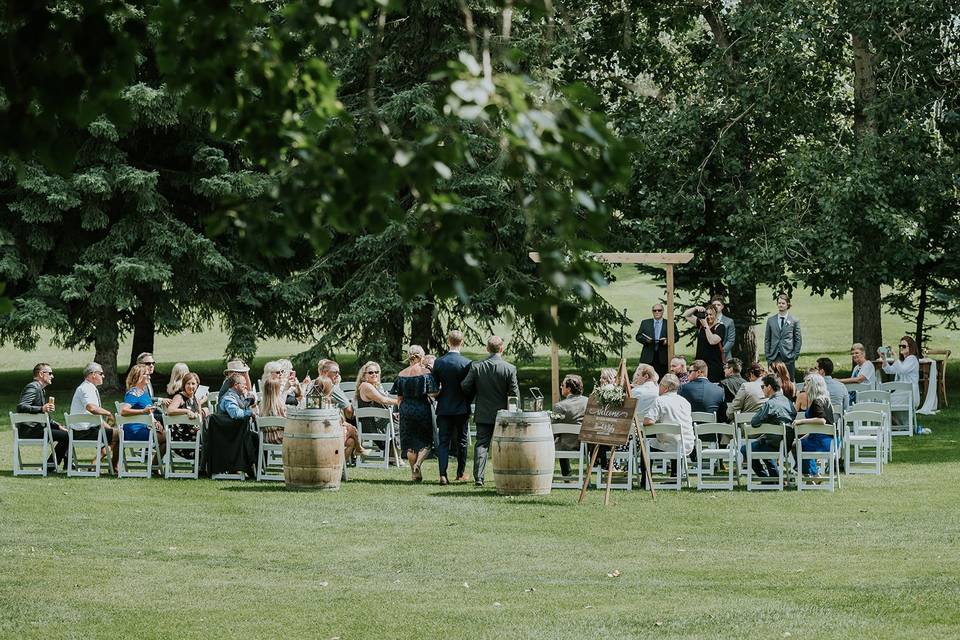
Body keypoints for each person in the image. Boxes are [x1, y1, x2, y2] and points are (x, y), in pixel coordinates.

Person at [461, 335, 520, 487]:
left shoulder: (477, 367)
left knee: (481, 445)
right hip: (504, 415)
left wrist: (475, 392)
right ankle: (507, 475)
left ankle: (479, 478)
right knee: (506, 445)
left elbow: (465, 386)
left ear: (487, 349)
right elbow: (514, 395)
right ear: (502, 348)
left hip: (483, 412)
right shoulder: (510, 368)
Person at [390, 345, 439, 482]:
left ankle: (414, 474)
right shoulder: (425, 373)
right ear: (422, 357)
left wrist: (402, 411)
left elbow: (399, 398)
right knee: (426, 442)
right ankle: (418, 464)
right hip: (422, 408)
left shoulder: (401, 374)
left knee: (411, 445)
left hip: (406, 409)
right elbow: (432, 392)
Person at [432, 330, 474, 485]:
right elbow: (470, 388)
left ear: (448, 341)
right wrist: (467, 401)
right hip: (461, 407)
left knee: (443, 441)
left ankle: (442, 474)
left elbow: (435, 386)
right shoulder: (467, 363)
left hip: (444, 407)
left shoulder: (439, 362)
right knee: (462, 441)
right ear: (462, 342)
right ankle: (460, 473)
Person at [17, 363, 69, 472]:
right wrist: (41, 408)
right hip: (30, 431)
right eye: (50, 373)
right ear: (41, 374)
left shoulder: (40, 389)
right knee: (68, 436)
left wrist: (58, 426)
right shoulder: (33, 387)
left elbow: (44, 417)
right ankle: (53, 466)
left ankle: (60, 465)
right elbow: (21, 406)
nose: (52, 376)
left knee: (67, 433)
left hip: (37, 429)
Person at [642, 373, 694, 478]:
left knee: (646, 445)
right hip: (686, 443)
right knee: (672, 437)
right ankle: (675, 475)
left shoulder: (660, 400)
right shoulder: (685, 402)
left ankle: (646, 479)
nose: (658, 387)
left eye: (660, 385)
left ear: (665, 388)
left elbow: (648, 421)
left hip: (670, 443)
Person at [743, 374, 796, 477]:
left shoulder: (770, 404)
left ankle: (764, 476)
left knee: (745, 449)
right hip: (786, 444)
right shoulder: (789, 402)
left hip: (773, 443)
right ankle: (774, 477)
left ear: (769, 387)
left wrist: (765, 421)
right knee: (762, 447)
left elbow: (754, 422)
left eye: (763, 387)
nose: (762, 389)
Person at [207, 373, 258, 477]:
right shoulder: (228, 398)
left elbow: (243, 406)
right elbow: (235, 414)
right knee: (255, 438)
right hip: (228, 437)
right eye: (243, 384)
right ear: (235, 385)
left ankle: (253, 469)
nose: (246, 386)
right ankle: (248, 469)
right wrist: (250, 413)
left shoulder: (237, 397)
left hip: (235, 435)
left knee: (256, 438)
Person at [119, 363, 167, 472]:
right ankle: (154, 467)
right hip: (135, 431)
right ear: (138, 376)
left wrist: (155, 422)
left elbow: (148, 412)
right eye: (146, 374)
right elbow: (124, 410)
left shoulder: (144, 393)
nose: (149, 376)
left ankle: (154, 466)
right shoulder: (134, 392)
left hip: (145, 429)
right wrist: (143, 411)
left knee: (167, 437)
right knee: (168, 438)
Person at [69, 362, 116, 464]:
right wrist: (108, 413)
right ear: (93, 374)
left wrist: (109, 427)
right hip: (84, 432)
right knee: (120, 434)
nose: (103, 376)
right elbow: (91, 408)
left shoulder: (87, 387)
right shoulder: (87, 388)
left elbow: (94, 417)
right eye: (101, 373)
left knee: (114, 432)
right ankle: (114, 466)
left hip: (84, 430)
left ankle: (97, 462)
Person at [793, 373, 835, 479]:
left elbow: (822, 420)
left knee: (799, 445)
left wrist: (801, 421)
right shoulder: (825, 400)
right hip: (829, 440)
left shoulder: (817, 402)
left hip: (822, 441)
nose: (804, 388)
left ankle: (812, 474)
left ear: (813, 386)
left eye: (806, 385)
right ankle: (809, 474)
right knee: (797, 444)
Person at [355, 360, 400, 458]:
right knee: (401, 425)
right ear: (364, 376)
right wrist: (400, 402)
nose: (374, 374)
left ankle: (394, 455)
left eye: (376, 372)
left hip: (377, 424)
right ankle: (396, 456)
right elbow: (383, 400)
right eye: (370, 372)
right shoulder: (366, 386)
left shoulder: (376, 386)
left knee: (399, 421)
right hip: (371, 427)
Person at [550, 374, 588, 477]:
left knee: (559, 440)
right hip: (586, 445)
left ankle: (566, 475)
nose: (561, 387)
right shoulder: (588, 402)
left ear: (569, 389)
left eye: (562, 385)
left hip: (566, 445)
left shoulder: (560, 406)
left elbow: (553, 429)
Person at [165, 372, 206, 458]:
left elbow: (200, 420)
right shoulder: (179, 397)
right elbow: (170, 410)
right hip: (182, 438)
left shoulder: (196, 399)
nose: (191, 386)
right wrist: (186, 411)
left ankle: (204, 468)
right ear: (184, 384)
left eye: (193, 384)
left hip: (196, 435)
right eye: (188, 383)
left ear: (197, 385)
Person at [683, 304, 726, 382]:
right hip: (700, 364)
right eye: (707, 314)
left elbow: (712, 341)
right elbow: (686, 315)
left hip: (713, 366)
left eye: (711, 314)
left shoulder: (720, 327)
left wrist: (705, 325)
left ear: (716, 315)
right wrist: (696, 308)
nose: (709, 317)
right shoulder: (701, 324)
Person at [764, 293, 802, 380]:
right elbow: (767, 339)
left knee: (789, 380)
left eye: (783, 303)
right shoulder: (771, 320)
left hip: (788, 356)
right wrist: (768, 355)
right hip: (773, 356)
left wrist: (794, 355)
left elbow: (798, 339)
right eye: (779, 303)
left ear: (787, 304)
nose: (780, 305)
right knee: (773, 381)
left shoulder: (794, 320)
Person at [636, 303, 678, 378]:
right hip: (648, 356)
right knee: (646, 378)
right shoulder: (645, 323)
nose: (657, 312)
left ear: (663, 311)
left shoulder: (669, 323)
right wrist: (646, 340)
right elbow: (638, 336)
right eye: (655, 310)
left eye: (659, 310)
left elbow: (676, 336)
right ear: (652, 312)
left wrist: (667, 341)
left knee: (662, 378)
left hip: (663, 357)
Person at [880, 336, 921, 408]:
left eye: (904, 346)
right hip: (901, 394)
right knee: (882, 401)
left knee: (884, 402)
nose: (901, 348)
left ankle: (889, 418)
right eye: (900, 346)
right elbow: (889, 370)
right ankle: (891, 419)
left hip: (910, 395)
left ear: (910, 347)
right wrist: (884, 358)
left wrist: (894, 355)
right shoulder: (903, 361)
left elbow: (902, 370)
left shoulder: (912, 359)